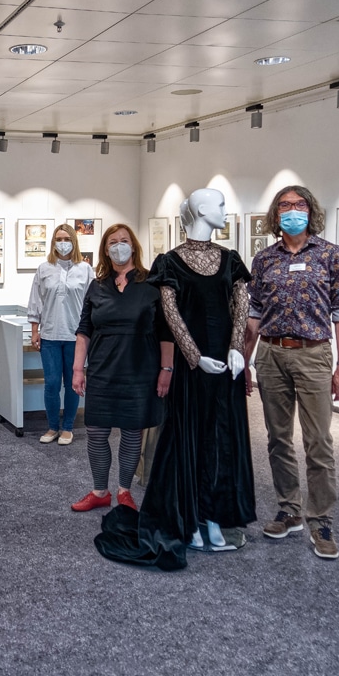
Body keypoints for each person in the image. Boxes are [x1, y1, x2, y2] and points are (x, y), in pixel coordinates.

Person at [95, 189, 256, 571]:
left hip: (226, 366)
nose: (224, 210)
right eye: (219, 204)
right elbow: (170, 313)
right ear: (201, 210)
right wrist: (194, 357)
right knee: (189, 440)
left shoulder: (230, 259)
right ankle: (191, 517)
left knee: (223, 440)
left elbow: (242, 304)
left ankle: (216, 516)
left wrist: (236, 349)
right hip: (191, 368)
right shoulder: (169, 262)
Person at [243, 185, 339, 561]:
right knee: (277, 438)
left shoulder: (331, 256)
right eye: (286, 205)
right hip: (272, 354)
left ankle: (320, 518)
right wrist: (245, 360)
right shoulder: (264, 260)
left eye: (300, 204)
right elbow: (254, 313)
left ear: (311, 211)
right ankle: (289, 509)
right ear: (276, 214)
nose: (293, 210)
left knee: (318, 441)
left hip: (314, 355)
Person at [71, 224, 174, 513]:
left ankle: (124, 491)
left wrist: (167, 369)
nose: (119, 246)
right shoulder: (97, 285)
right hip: (103, 370)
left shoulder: (151, 285)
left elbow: (167, 332)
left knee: (131, 433)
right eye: (113, 242)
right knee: (96, 432)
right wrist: (78, 369)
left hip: (140, 371)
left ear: (134, 246)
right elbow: (84, 330)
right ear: (106, 249)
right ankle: (100, 491)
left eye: (124, 241)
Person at [26, 224, 93, 445]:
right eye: (58, 238)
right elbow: (36, 301)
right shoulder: (44, 268)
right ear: (53, 242)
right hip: (50, 336)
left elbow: (92, 304)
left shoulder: (85, 269)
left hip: (76, 337)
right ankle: (53, 426)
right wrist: (35, 331)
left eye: (66, 238)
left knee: (74, 383)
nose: (62, 242)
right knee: (52, 384)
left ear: (74, 241)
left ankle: (68, 427)